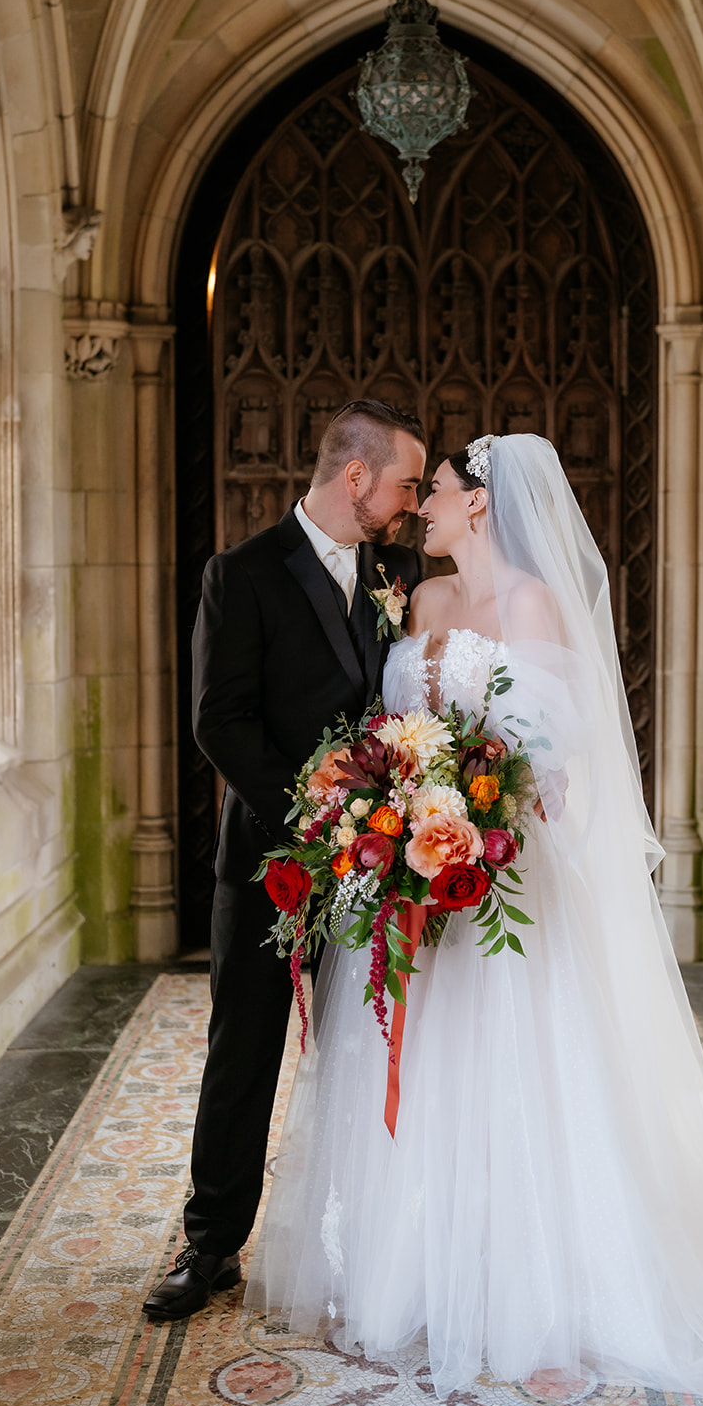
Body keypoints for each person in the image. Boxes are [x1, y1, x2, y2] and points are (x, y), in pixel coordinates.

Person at [247, 432, 703, 1401]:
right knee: (425, 1078)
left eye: (442, 488)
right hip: (420, 874)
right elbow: (389, 728)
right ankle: (415, 1270)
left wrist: (468, 804)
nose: (423, 503)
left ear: (480, 504)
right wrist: (397, 801)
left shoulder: (533, 605)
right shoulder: (418, 600)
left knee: (516, 1077)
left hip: (503, 881)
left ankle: (535, 1285)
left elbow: (548, 756)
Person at [142, 400, 426, 1321]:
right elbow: (217, 721)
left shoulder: (398, 569)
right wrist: (319, 811)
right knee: (245, 1049)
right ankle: (211, 1241)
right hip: (273, 860)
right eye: (404, 484)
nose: (410, 503)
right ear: (356, 478)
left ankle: (365, 1243)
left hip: (376, 865)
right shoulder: (244, 574)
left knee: (365, 1047)